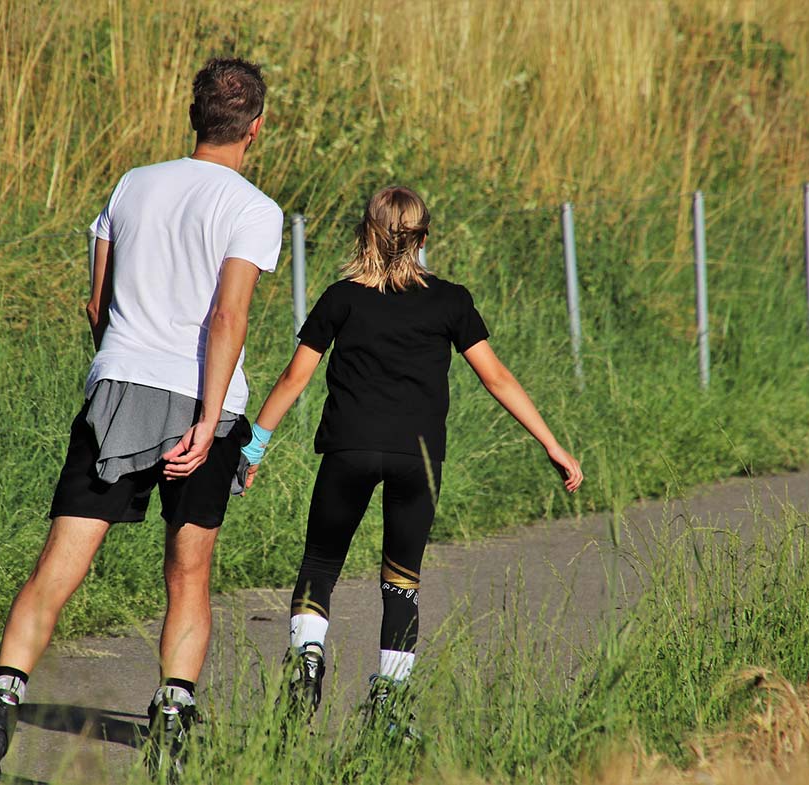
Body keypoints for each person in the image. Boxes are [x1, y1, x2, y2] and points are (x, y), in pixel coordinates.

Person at [0, 58, 283, 782]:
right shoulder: (253, 207)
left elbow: (96, 306)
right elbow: (228, 313)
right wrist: (204, 414)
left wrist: (119, 368)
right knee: (188, 572)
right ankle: (170, 727)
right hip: (206, 406)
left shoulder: (132, 184)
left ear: (192, 116)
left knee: (59, 564)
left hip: (118, 388)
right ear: (258, 125)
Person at [240, 185, 582, 738]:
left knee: (321, 565)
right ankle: (390, 708)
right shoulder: (450, 300)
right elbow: (496, 377)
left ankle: (307, 656)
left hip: (348, 452)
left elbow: (294, 377)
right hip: (414, 461)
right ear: (423, 238)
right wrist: (551, 442)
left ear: (365, 233)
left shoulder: (340, 297)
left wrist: (254, 446)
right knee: (401, 580)